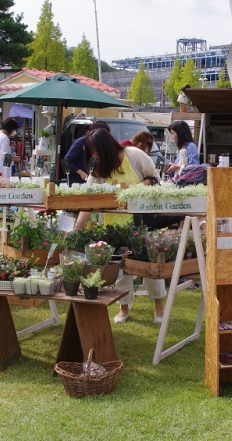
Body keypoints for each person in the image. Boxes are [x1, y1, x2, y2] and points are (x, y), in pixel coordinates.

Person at [75, 129, 165, 323]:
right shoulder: (98, 169)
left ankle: (159, 308)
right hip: (113, 227)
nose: (95, 157)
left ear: (107, 147)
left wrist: (134, 190)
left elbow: (155, 179)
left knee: (149, 266)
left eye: (97, 152)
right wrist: (77, 229)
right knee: (119, 269)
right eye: (92, 154)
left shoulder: (134, 155)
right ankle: (124, 308)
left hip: (142, 222)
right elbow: (90, 199)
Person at [64, 121, 110, 186]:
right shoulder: (81, 142)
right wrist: (80, 172)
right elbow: (66, 161)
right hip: (77, 182)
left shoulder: (101, 145)